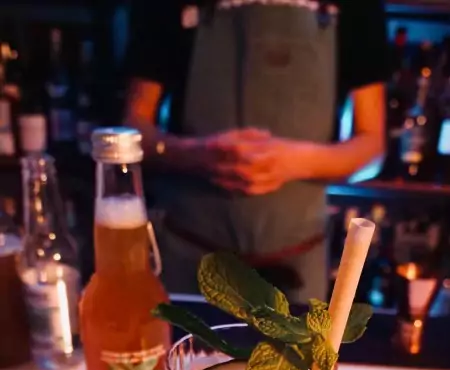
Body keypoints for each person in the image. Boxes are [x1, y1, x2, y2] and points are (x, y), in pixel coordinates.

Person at [124, 0, 388, 301]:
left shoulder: (356, 7)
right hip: (188, 260)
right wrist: (193, 154)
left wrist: (295, 162)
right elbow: (133, 131)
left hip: (297, 269)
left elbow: (372, 148)